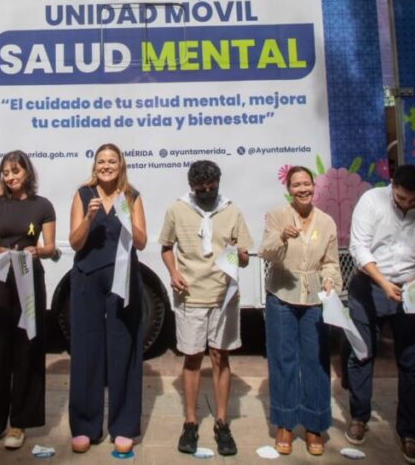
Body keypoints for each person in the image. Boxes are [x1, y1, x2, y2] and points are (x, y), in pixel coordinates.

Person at [345, 164, 415, 465]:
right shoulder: (371, 202)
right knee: (361, 353)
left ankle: (409, 432)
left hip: (412, 289)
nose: (406, 204)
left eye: (412, 201)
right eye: (401, 198)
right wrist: (383, 283)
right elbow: (359, 247)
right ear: (392, 185)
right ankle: (359, 416)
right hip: (370, 283)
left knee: (412, 360)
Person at [159, 160, 250, 456]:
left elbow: (245, 255)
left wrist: (240, 255)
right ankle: (190, 422)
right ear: (192, 187)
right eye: (202, 188)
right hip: (190, 296)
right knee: (193, 357)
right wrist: (173, 273)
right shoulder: (177, 209)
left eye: (212, 187)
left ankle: (222, 422)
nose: (208, 192)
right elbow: (165, 246)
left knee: (220, 356)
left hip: (223, 296)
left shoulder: (232, 210)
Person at [68, 143, 147, 455]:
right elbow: (75, 242)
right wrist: (88, 219)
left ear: (121, 165)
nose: (106, 166)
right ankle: (85, 426)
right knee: (87, 349)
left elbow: (141, 240)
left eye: (111, 161)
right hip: (87, 277)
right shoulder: (83, 194)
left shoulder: (132, 196)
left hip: (123, 278)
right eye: (101, 161)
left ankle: (124, 426)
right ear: (94, 165)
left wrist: (126, 217)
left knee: (123, 348)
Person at [260, 166, 342, 457]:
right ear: (289, 189)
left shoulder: (327, 222)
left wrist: (331, 279)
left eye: (307, 183)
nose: (303, 189)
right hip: (281, 296)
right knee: (283, 360)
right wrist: (281, 236)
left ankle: (314, 424)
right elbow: (266, 252)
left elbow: (331, 262)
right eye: (296, 185)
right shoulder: (277, 216)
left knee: (316, 362)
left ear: (313, 186)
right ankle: (284, 422)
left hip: (315, 301)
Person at [0, 151, 56, 450]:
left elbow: (49, 247)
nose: (10, 177)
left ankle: (19, 423)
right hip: (0, 279)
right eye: (5, 173)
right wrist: (5, 253)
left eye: (15, 171)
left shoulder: (43, 206)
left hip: (30, 279)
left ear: (27, 173)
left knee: (27, 348)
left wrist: (36, 251)